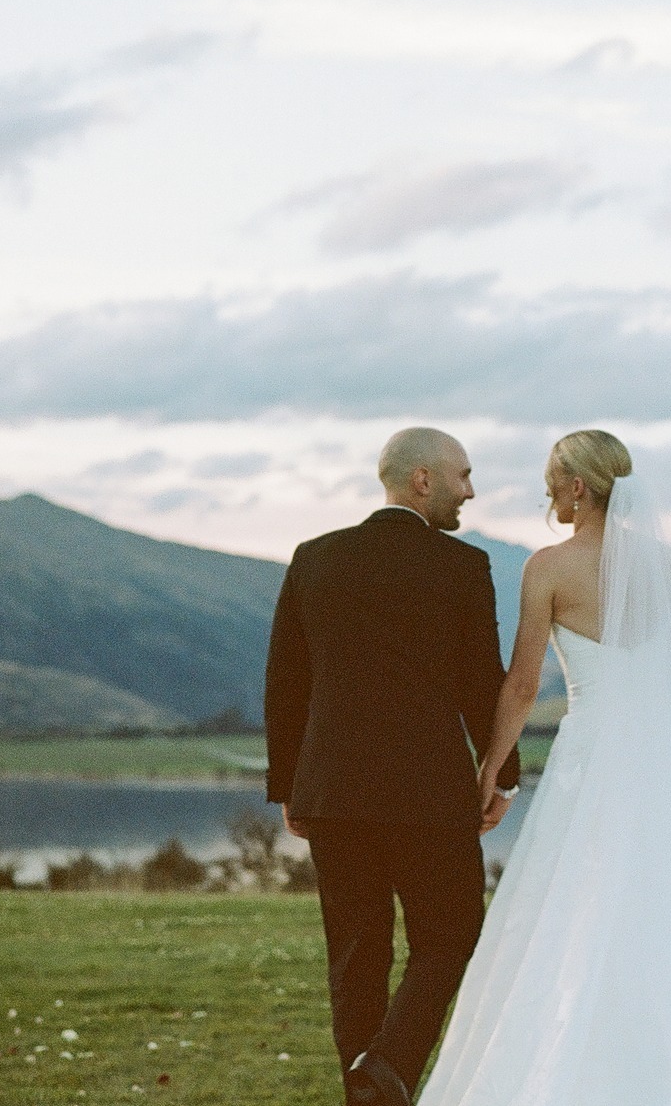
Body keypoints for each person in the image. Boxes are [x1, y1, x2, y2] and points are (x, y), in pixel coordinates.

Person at [417, 429, 671, 1106]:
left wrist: (491, 767)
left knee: (579, 906)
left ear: (577, 487)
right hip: (670, 756)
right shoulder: (659, 562)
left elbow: (524, 686)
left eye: (549, 479)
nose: (544, 492)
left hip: (596, 755)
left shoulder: (550, 568)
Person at [263, 427, 521, 1106]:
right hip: (428, 794)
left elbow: (286, 682)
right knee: (451, 933)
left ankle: (366, 1084)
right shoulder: (463, 567)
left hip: (333, 789)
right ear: (423, 481)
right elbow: (481, 681)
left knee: (356, 949)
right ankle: (386, 1069)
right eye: (463, 475)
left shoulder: (313, 557)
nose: (472, 490)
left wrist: (288, 784)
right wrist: (502, 771)